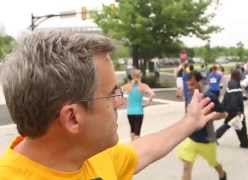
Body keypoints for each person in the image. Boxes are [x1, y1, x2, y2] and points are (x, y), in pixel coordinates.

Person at [0, 31, 217, 180]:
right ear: (73, 118)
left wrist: (190, 121)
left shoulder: (89, 156)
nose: (120, 102)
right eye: (112, 94)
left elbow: (142, 151)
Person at [177, 71, 227, 180]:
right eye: (188, 85)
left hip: (206, 140)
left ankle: (222, 174)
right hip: (192, 138)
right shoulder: (190, 96)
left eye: (192, 84)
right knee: (186, 166)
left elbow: (223, 114)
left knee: (213, 163)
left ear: (200, 82)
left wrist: (207, 117)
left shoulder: (210, 96)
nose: (190, 88)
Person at [216, 69, 248, 149]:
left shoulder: (233, 83)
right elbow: (234, 99)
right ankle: (244, 144)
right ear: (237, 76)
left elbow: (235, 96)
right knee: (241, 126)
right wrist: (238, 111)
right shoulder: (234, 84)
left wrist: (245, 98)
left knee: (229, 125)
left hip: (230, 109)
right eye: (240, 75)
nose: (241, 76)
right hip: (235, 110)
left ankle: (213, 138)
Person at [121, 69, 155, 141]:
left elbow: (119, 91)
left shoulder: (128, 86)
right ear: (140, 76)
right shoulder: (143, 86)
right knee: (137, 132)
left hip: (130, 112)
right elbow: (152, 94)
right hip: (139, 111)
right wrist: (147, 103)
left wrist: (124, 101)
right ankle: (136, 148)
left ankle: (132, 146)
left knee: (132, 130)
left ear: (132, 76)